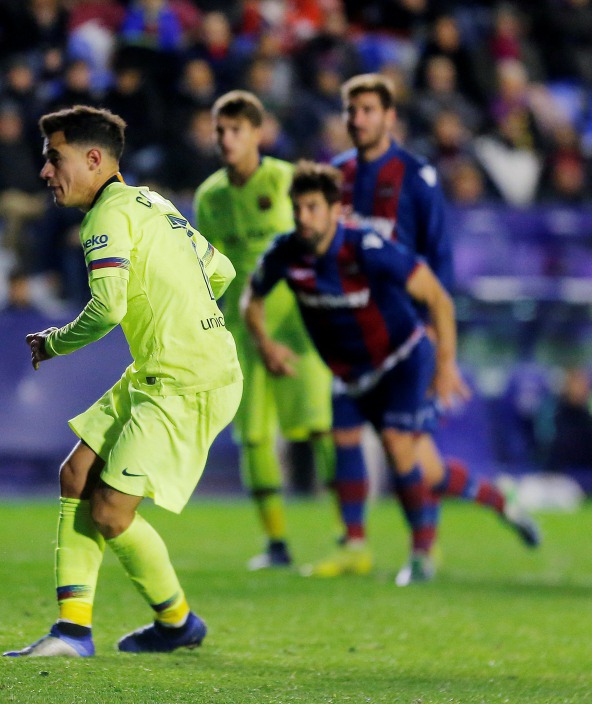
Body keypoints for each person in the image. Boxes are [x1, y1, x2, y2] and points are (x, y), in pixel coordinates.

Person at [6, 106, 242, 658]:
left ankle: (170, 622)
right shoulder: (153, 203)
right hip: (161, 370)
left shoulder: (105, 219)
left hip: (187, 381)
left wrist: (53, 342)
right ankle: (77, 631)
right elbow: (222, 271)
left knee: (111, 511)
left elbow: (108, 308)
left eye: (53, 158)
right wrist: (189, 316)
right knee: (76, 475)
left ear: (93, 159)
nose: (45, 172)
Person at [242, 161, 540, 586]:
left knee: (399, 448)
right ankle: (357, 545)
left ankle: (421, 555)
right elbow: (251, 298)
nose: (303, 218)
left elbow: (437, 296)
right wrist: (265, 344)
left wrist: (446, 364)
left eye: (312, 208)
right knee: (412, 466)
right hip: (350, 373)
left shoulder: (366, 246)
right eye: (297, 208)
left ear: (333, 210)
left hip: (401, 361)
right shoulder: (285, 253)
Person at [307, 72, 460, 577]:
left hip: (403, 337)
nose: (358, 119)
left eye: (369, 110)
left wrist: (438, 339)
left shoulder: (417, 177)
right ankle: (354, 544)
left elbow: (438, 259)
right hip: (349, 332)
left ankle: (429, 544)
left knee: (408, 450)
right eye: (352, 110)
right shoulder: (335, 175)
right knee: (343, 435)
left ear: (390, 116)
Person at [193, 91, 334, 570]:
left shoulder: (286, 179)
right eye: (220, 130)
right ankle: (277, 545)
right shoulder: (210, 196)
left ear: (258, 133)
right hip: (242, 327)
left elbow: (325, 234)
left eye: (236, 130)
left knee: (318, 427)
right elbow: (209, 269)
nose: (227, 139)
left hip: (296, 321)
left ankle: (348, 535)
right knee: (253, 437)